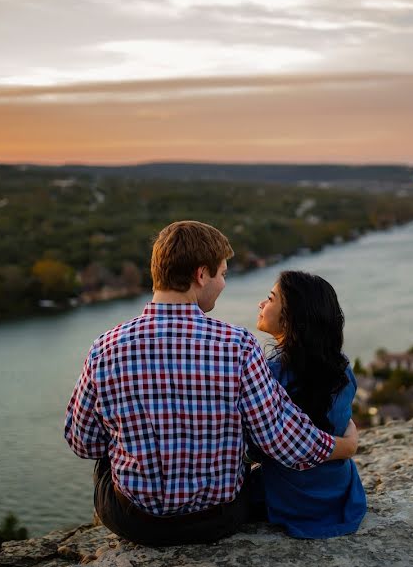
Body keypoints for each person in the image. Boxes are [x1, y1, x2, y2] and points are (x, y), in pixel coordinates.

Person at [64, 220, 359, 546]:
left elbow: (83, 443)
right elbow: (279, 439)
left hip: (136, 522)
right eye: (222, 274)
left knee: (107, 459)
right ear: (201, 275)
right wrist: (341, 447)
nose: (223, 284)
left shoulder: (105, 347)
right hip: (217, 519)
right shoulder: (238, 346)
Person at [254, 270, 367, 538]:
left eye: (270, 299)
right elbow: (342, 424)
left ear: (290, 317)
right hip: (337, 493)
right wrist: (348, 444)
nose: (261, 304)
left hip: (291, 498)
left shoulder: (268, 375)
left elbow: (259, 449)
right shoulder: (341, 369)